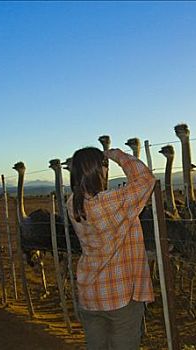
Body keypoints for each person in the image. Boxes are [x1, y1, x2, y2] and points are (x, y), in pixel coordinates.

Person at [66, 146, 156, 350]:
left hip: (90, 294)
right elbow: (145, 179)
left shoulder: (72, 204)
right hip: (119, 296)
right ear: (100, 170)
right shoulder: (110, 202)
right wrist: (116, 155)